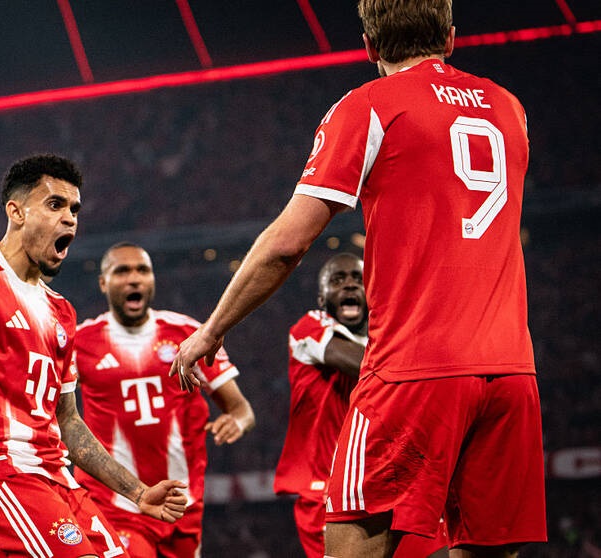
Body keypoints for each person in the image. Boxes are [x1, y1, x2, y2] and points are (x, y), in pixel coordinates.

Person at [170, 0, 546, 556]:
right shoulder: (510, 108)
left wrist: (212, 330)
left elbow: (287, 244)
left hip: (412, 370)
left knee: (351, 545)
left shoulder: (369, 106)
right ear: (450, 38)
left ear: (368, 46)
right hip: (513, 372)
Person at [0, 154, 187, 558]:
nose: (69, 218)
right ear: (16, 212)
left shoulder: (62, 311)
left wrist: (138, 493)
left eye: (74, 209)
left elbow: (68, 421)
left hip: (59, 479)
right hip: (2, 475)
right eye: (55, 204)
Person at [73, 242, 255, 557]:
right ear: (103, 282)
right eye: (122, 271)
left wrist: (236, 422)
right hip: (115, 503)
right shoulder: (80, 342)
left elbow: (242, 409)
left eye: (142, 270)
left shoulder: (189, 333)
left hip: (182, 504)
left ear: (152, 279)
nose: (134, 279)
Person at [275, 253, 448, 558]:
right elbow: (362, 364)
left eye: (358, 279)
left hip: (386, 481)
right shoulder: (310, 326)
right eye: (338, 280)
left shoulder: (387, 338)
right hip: (327, 490)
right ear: (322, 298)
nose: (350, 285)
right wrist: (419, 360)